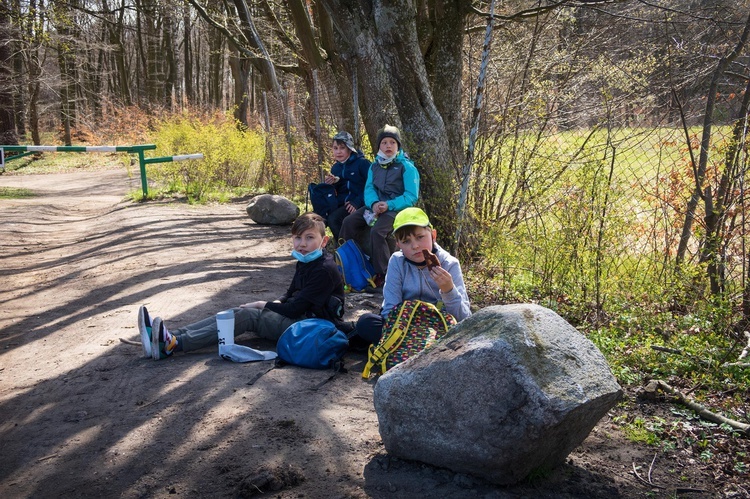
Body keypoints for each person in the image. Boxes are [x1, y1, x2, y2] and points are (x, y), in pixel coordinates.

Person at [137, 212, 348, 360]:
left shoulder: (324, 269)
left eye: (309, 238)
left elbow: (295, 309)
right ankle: (171, 335)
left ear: (324, 241)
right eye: (297, 238)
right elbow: (290, 294)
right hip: (299, 319)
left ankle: (173, 345)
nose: (302, 244)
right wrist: (276, 302)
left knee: (248, 315)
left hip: (311, 328)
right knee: (236, 311)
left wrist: (262, 304)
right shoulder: (306, 260)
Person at [352, 207, 471, 346]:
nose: (415, 246)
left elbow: (464, 319)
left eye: (420, 237)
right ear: (398, 244)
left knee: (463, 336)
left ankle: (410, 348)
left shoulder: (449, 264)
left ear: (433, 235)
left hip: (439, 327)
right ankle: (414, 348)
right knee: (366, 323)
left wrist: (448, 290)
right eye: (406, 241)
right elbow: (390, 308)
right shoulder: (397, 262)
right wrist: (398, 328)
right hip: (404, 326)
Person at [339, 124, 420, 287]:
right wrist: (374, 203)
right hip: (374, 207)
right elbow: (369, 188)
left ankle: (383, 274)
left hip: (397, 210)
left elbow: (411, 196)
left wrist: (388, 205)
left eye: (392, 142)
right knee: (348, 222)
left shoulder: (407, 167)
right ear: (379, 146)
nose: (388, 146)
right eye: (384, 143)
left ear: (398, 146)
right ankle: (346, 262)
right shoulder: (374, 166)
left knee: (377, 232)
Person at [320, 131, 370, 242]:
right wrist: (331, 184)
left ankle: (347, 251)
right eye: (335, 148)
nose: (338, 152)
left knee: (334, 219)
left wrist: (357, 202)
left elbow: (371, 187)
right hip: (342, 203)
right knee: (318, 218)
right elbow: (337, 192)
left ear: (350, 148)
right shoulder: (335, 168)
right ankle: (322, 249)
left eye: (342, 148)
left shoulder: (362, 163)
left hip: (360, 203)